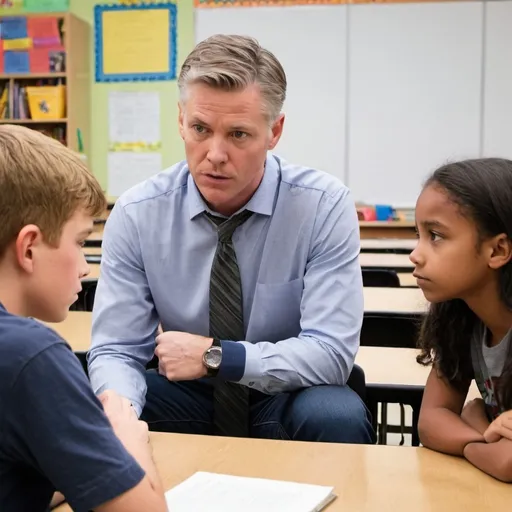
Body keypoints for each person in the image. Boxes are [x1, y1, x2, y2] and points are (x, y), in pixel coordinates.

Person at [88, 34, 375, 444]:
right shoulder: (138, 213)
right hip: (189, 396)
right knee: (103, 406)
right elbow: (117, 350)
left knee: (336, 413)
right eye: (200, 128)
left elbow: (330, 353)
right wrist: (120, 415)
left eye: (238, 134)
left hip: (285, 394)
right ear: (180, 120)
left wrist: (216, 356)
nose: (215, 154)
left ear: (274, 131)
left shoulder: (322, 206)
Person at [0, 125, 166, 511]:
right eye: (79, 241)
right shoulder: (30, 355)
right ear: (28, 248)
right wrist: (127, 438)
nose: (84, 268)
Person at [413, 158, 512, 482]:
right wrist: (481, 438)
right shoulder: (462, 319)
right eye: (419, 235)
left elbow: (509, 463)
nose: (415, 254)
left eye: (436, 236)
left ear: (497, 250)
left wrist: (473, 417)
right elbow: (431, 420)